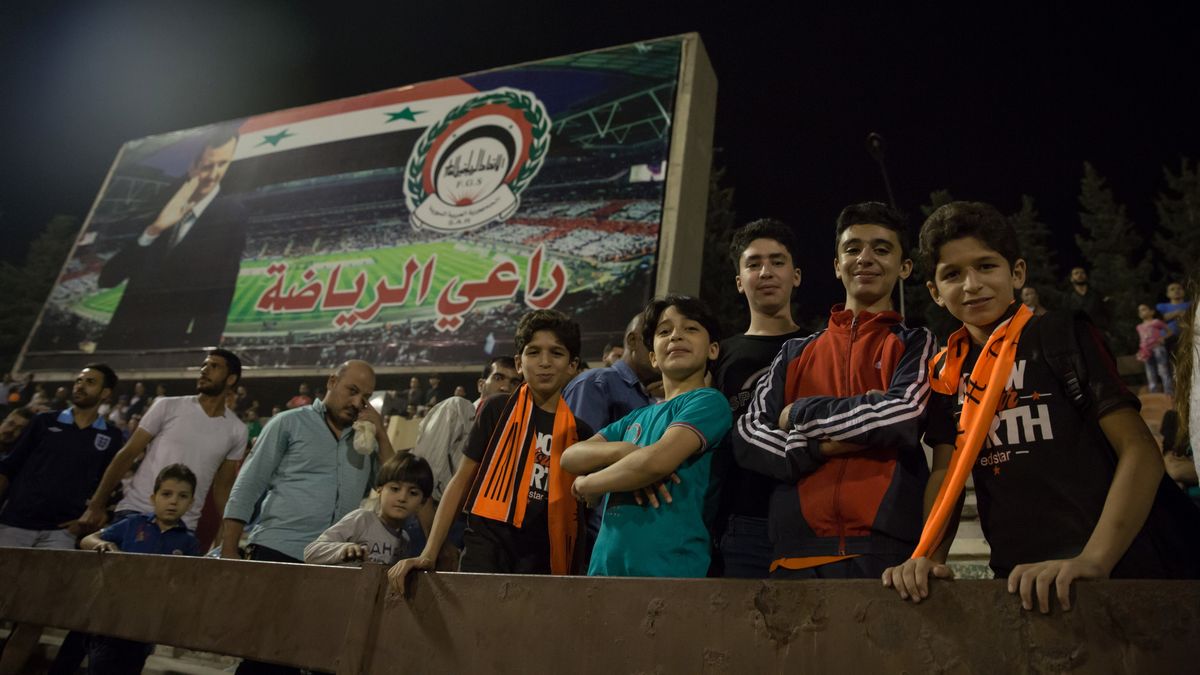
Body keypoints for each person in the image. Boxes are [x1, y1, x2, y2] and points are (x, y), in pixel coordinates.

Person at [884, 201, 1200, 613]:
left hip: (1112, 572)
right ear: (934, 292)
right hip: (1017, 581)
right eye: (952, 274)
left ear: (1017, 273)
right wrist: (928, 556)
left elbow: (1140, 452)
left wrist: (1093, 560)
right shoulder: (946, 370)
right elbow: (946, 473)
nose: (971, 284)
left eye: (986, 266)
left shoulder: (1061, 333)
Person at [734, 202, 935, 579]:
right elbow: (749, 434)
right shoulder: (794, 351)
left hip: (885, 556)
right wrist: (816, 448)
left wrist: (799, 414)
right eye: (852, 248)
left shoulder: (916, 342)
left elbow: (903, 414)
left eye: (881, 248)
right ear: (836, 264)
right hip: (794, 554)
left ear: (904, 267)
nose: (865, 258)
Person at [388, 310, 592, 591]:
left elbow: (580, 514)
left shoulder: (582, 433)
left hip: (543, 561)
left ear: (573, 365)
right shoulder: (497, 410)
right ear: (520, 363)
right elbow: (461, 481)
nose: (544, 362)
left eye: (556, 353)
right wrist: (429, 553)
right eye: (534, 353)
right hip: (486, 550)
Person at [564, 296, 731, 577]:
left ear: (713, 349)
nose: (676, 335)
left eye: (690, 329)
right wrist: (624, 452)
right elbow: (570, 456)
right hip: (604, 569)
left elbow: (655, 463)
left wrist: (586, 483)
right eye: (664, 331)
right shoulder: (635, 417)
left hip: (669, 570)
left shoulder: (708, 402)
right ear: (653, 356)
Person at [222, 360, 393, 563]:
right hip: (278, 550)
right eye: (352, 391)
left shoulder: (366, 441)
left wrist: (381, 434)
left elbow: (395, 481)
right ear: (332, 382)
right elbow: (248, 484)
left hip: (334, 558)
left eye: (365, 397)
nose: (357, 403)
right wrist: (229, 550)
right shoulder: (288, 423)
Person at [712, 217, 806, 578]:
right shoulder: (720, 356)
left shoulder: (821, 346)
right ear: (740, 282)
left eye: (777, 261)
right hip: (741, 524)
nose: (766, 271)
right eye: (754, 264)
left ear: (795, 275)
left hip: (809, 521)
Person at [97, 126, 246, 350]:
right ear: (192, 167)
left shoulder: (232, 214)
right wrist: (154, 229)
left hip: (165, 352)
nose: (214, 175)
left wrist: (195, 359)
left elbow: (219, 299)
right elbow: (107, 278)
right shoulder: (159, 207)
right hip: (114, 347)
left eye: (223, 164)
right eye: (207, 166)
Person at [78, 350, 248, 538]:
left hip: (184, 525)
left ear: (231, 379)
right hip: (137, 512)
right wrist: (96, 505)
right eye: (204, 366)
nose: (205, 370)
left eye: (214, 366)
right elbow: (128, 454)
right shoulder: (166, 406)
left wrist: (227, 534)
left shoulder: (237, 430)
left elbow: (223, 488)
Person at [76, 464, 201, 674]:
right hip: (112, 617)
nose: (173, 501)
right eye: (166, 494)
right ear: (154, 498)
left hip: (147, 624)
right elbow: (88, 539)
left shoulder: (188, 543)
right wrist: (101, 545)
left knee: (131, 667)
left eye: (182, 496)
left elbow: (189, 582)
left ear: (191, 503)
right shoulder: (133, 524)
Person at [0, 364, 122, 548]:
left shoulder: (112, 436)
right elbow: (10, 467)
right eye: (78, 381)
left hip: (62, 533)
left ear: (105, 393)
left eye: (90, 382)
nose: (80, 386)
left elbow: (108, 483)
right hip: (15, 525)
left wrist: (82, 522)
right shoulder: (43, 421)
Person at [411, 357, 519, 550]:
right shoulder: (458, 409)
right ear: (480, 385)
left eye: (514, 382)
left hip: (476, 531)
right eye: (498, 378)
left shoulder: (517, 434)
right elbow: (420, 479)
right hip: (431, 521)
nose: (505, 387)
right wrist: (437, 544)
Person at [304, 454, 433, 566]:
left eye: (413, 493)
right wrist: (344, 549)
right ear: (379, 490)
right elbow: (311, 552)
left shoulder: (405, 540)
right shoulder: (362, 519)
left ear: (422, 503)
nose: (402, 498)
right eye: (395, 489)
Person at [1136, 303, 1174, 395]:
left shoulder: (1156, 322)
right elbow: (1142, 339)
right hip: (1146, 351)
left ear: (1152, 312)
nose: (1142, 312)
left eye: (1144, 309)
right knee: (1150, 372)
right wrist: (1140, 350)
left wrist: (1163, 338)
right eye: (1140, 311)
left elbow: (1169, 331)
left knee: (1163, 370)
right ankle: (1154, 393)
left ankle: (1168, 392)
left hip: (1157, 348)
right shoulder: (1139, 327)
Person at [1157, 280, 1191, 356]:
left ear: (1184, 292)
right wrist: (1177, 313)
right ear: (1167, 294)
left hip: (1187, 338)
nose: (1176, 291)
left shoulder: (1191, 304)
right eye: (1172, 289)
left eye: (1179, 288)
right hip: (1167, 340)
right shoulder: (1162, 306)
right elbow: (1157, 320)